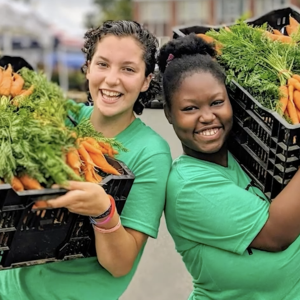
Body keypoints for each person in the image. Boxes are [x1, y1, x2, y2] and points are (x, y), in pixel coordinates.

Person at [0, 20, 172, 300]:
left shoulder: (150, 152)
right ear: (88, 68)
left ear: (145, 81)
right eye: (103, 64)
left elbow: (120, 265)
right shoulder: (60, 117)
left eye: (128, 69)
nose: (112, 79)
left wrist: (104, 212)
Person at [158, 33, 300, 300]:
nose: (208, 117)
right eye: (190, 108)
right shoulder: (189, 186)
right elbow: (276, 234)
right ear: (168, 113)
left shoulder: (246, 148)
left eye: (216, 102)